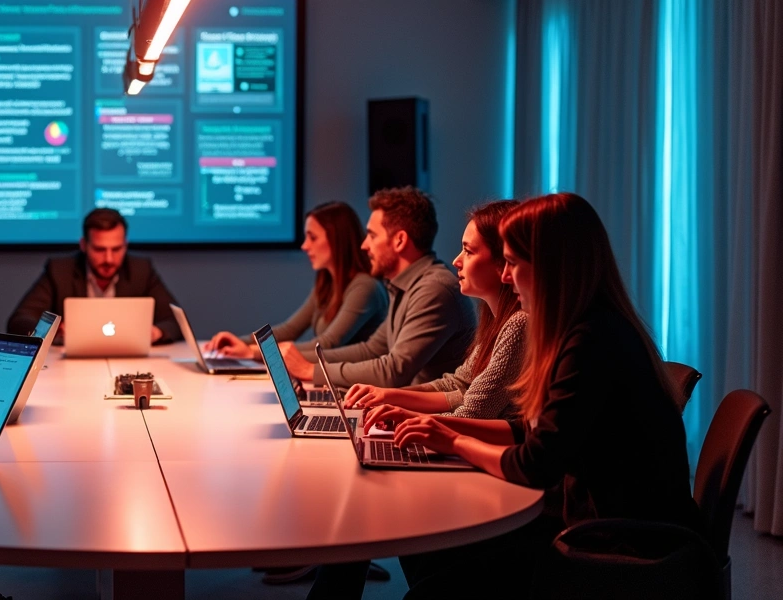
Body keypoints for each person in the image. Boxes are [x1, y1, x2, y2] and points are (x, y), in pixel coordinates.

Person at [314, 193, 700, 599]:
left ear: (551, 268)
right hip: (606, 523)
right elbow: (534, 432)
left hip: (616, 543)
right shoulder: (591, 328)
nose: (505, 277)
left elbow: (536, 463)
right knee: (428, 557)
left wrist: (452, 440)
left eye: (513, 264)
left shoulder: (588, 342)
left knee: (431, 575)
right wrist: (437, 428)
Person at [343, 199, 525, 420]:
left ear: (502, 262)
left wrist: (406, 416)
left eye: (468, 251)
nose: (456, 261)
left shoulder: (518, 323)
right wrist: (388, 397)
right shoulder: (495, 320)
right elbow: (459, 387)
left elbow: (473, 413)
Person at [279, 187, 476, 390]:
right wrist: (297, 360)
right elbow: (372, 350)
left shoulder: (434, 288)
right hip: (414, 411)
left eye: (372, 236)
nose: (364, 245)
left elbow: (393, 372)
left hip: (434, 418)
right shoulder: (406, 285)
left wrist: (311, 370)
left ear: (399, 240)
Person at [206, 201, 386, 361]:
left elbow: (326, 344)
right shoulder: (327, 283)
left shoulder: (364, 286)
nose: (304, 246)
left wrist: (253, 352)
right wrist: (241, 342)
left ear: (337, 240)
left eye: (313, 238)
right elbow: (290, 329)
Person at [7, 207, 181, 344]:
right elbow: (19, 321)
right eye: (99, 249)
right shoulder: (60, 270)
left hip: (130, 362)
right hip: (71, 367)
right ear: (84, 245)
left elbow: (175, 322)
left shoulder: (141, 270)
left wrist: (155, 332)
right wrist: (55, 329)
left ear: (125, 245)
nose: (109, 259)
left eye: (116, 249)